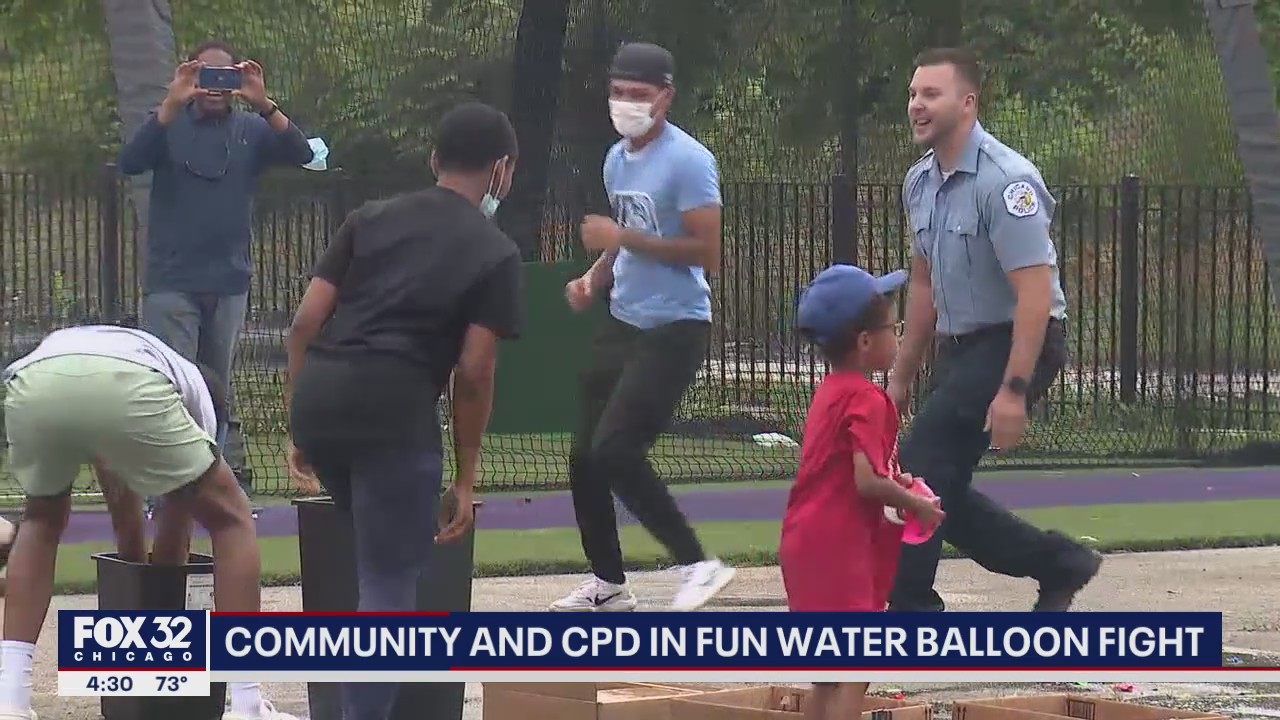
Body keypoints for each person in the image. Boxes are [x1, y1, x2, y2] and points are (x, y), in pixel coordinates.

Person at [285, 101, 524, 720]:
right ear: (503, 170)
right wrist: (467, 478)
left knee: (374, 557)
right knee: (389, 585)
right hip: (394, 408)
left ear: (434, 159)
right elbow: (474, 371)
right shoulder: (494, 251)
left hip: (325, 396)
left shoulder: (369, 219)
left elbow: (305, 324)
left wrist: (299, 420)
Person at [885, 47, 1103, 613]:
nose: (916, 105)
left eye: (930, 94)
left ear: (967, 102)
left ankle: (911, 607)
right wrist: (901, 375)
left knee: (921, 465)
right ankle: (1059, 563)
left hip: (1016, 342)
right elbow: (924, 287)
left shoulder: (1008, 182)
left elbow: (1035, 294)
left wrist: (1014, 387)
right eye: (913, 94)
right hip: (962, 351)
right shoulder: (919, 184)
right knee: (941, 487)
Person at [0, 325, 295, 720]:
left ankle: (10, 700)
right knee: (233, 519)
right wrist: (161, 618)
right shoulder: (199, 406)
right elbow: (174, 528)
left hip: (34, 381)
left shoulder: (152, 357)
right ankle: (248, 705)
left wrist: (137, 615)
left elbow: (126, 518)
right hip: (126, 382)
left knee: (41, 520)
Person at [552, 41, 735, 613]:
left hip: (674, 327)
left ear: (666, 97)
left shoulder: (689, 161)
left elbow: (706, 253)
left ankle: (698, 563)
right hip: (623, 321)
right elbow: (623, 241)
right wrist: (594, 278)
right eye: (619, 92)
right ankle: (609, 584)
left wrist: (621, 240)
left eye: (639, 94)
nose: (627, 103)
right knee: (583, 456)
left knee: (617, 449)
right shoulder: (616, 159)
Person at [118, 38, 316, 532]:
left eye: (226, 77)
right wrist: (170, 102)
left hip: (228, 282)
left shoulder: (251, 128)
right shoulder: (168, 126)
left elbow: (307, 154)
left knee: (216, 389)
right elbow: (130, 162)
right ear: (192, 77)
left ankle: (223, 491)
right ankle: (163, 495)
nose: (215, 87)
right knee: (169, 389)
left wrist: (263, 102)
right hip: (173, 282)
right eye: (206, 76)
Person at [781, 264, 945, 720]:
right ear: (865, 341)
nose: (898, 337)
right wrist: (917, 505)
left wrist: (903, 481)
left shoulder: (830, 391)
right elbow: (866, 481)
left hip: (804, 543)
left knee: (825, 673)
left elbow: (854, 468)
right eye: (892, 328)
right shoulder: (869, 400)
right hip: (841, 547)